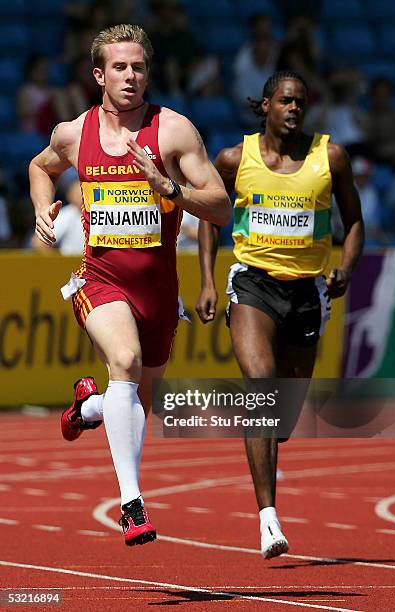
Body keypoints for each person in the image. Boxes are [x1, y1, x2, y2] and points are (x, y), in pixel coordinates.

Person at [29, 23, 230, 547]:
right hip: (101, 278)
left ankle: (86, 408)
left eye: (139, 67)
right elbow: (39, 165)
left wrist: (169, 188)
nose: (131, 76)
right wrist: (39, 209)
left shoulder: (173, 131)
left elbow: (221, 206)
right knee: (123, 360)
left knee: (135, 397)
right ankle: (132, 503)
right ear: (99, 75)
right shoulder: (75, 133)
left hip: (159, 289)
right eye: (119, 67)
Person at [196, 71, 364, 559]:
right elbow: (210, 216)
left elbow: (353, 222)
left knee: (283, 419)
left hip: (308, 292)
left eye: (301, 103)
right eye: (286, 101)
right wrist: (208, 280)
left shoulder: (330, 157)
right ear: (266, 104)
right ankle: (268, 518)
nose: (294, 109)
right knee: (261, 392)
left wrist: (346, 268)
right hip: (252, 284)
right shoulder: (234, 158)